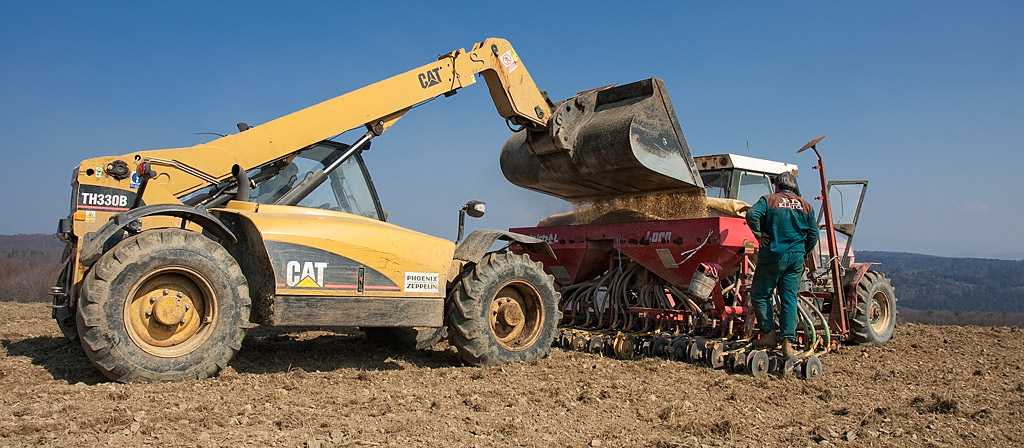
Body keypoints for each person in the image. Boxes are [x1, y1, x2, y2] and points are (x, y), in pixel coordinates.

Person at [745, 171, 818, 357]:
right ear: (793, 187)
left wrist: (759, 235)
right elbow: (813, 235)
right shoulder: (806, 206)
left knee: (760, 294)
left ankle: (769, 334)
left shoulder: (769, 200)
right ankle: (787, 343)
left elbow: (752, 214)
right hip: (795, 259)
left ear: (777, 186)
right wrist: (803, 253)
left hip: (772, 256)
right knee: (789, 299)